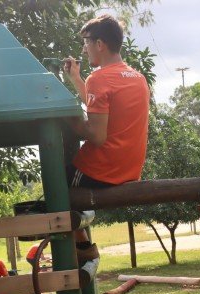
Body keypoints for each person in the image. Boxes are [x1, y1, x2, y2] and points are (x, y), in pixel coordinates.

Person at [62, 14, 150, 263]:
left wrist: (69, 121)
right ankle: (82, 243)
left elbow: (97, 135)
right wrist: (77, 80)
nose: (84, 48)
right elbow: (101, 108)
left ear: (99, 44)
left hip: (102, 170)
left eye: (86, 42)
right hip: (129, 170)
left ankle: (82, 248)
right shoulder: (137, 78)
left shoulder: (99, 78)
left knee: (57, 184)